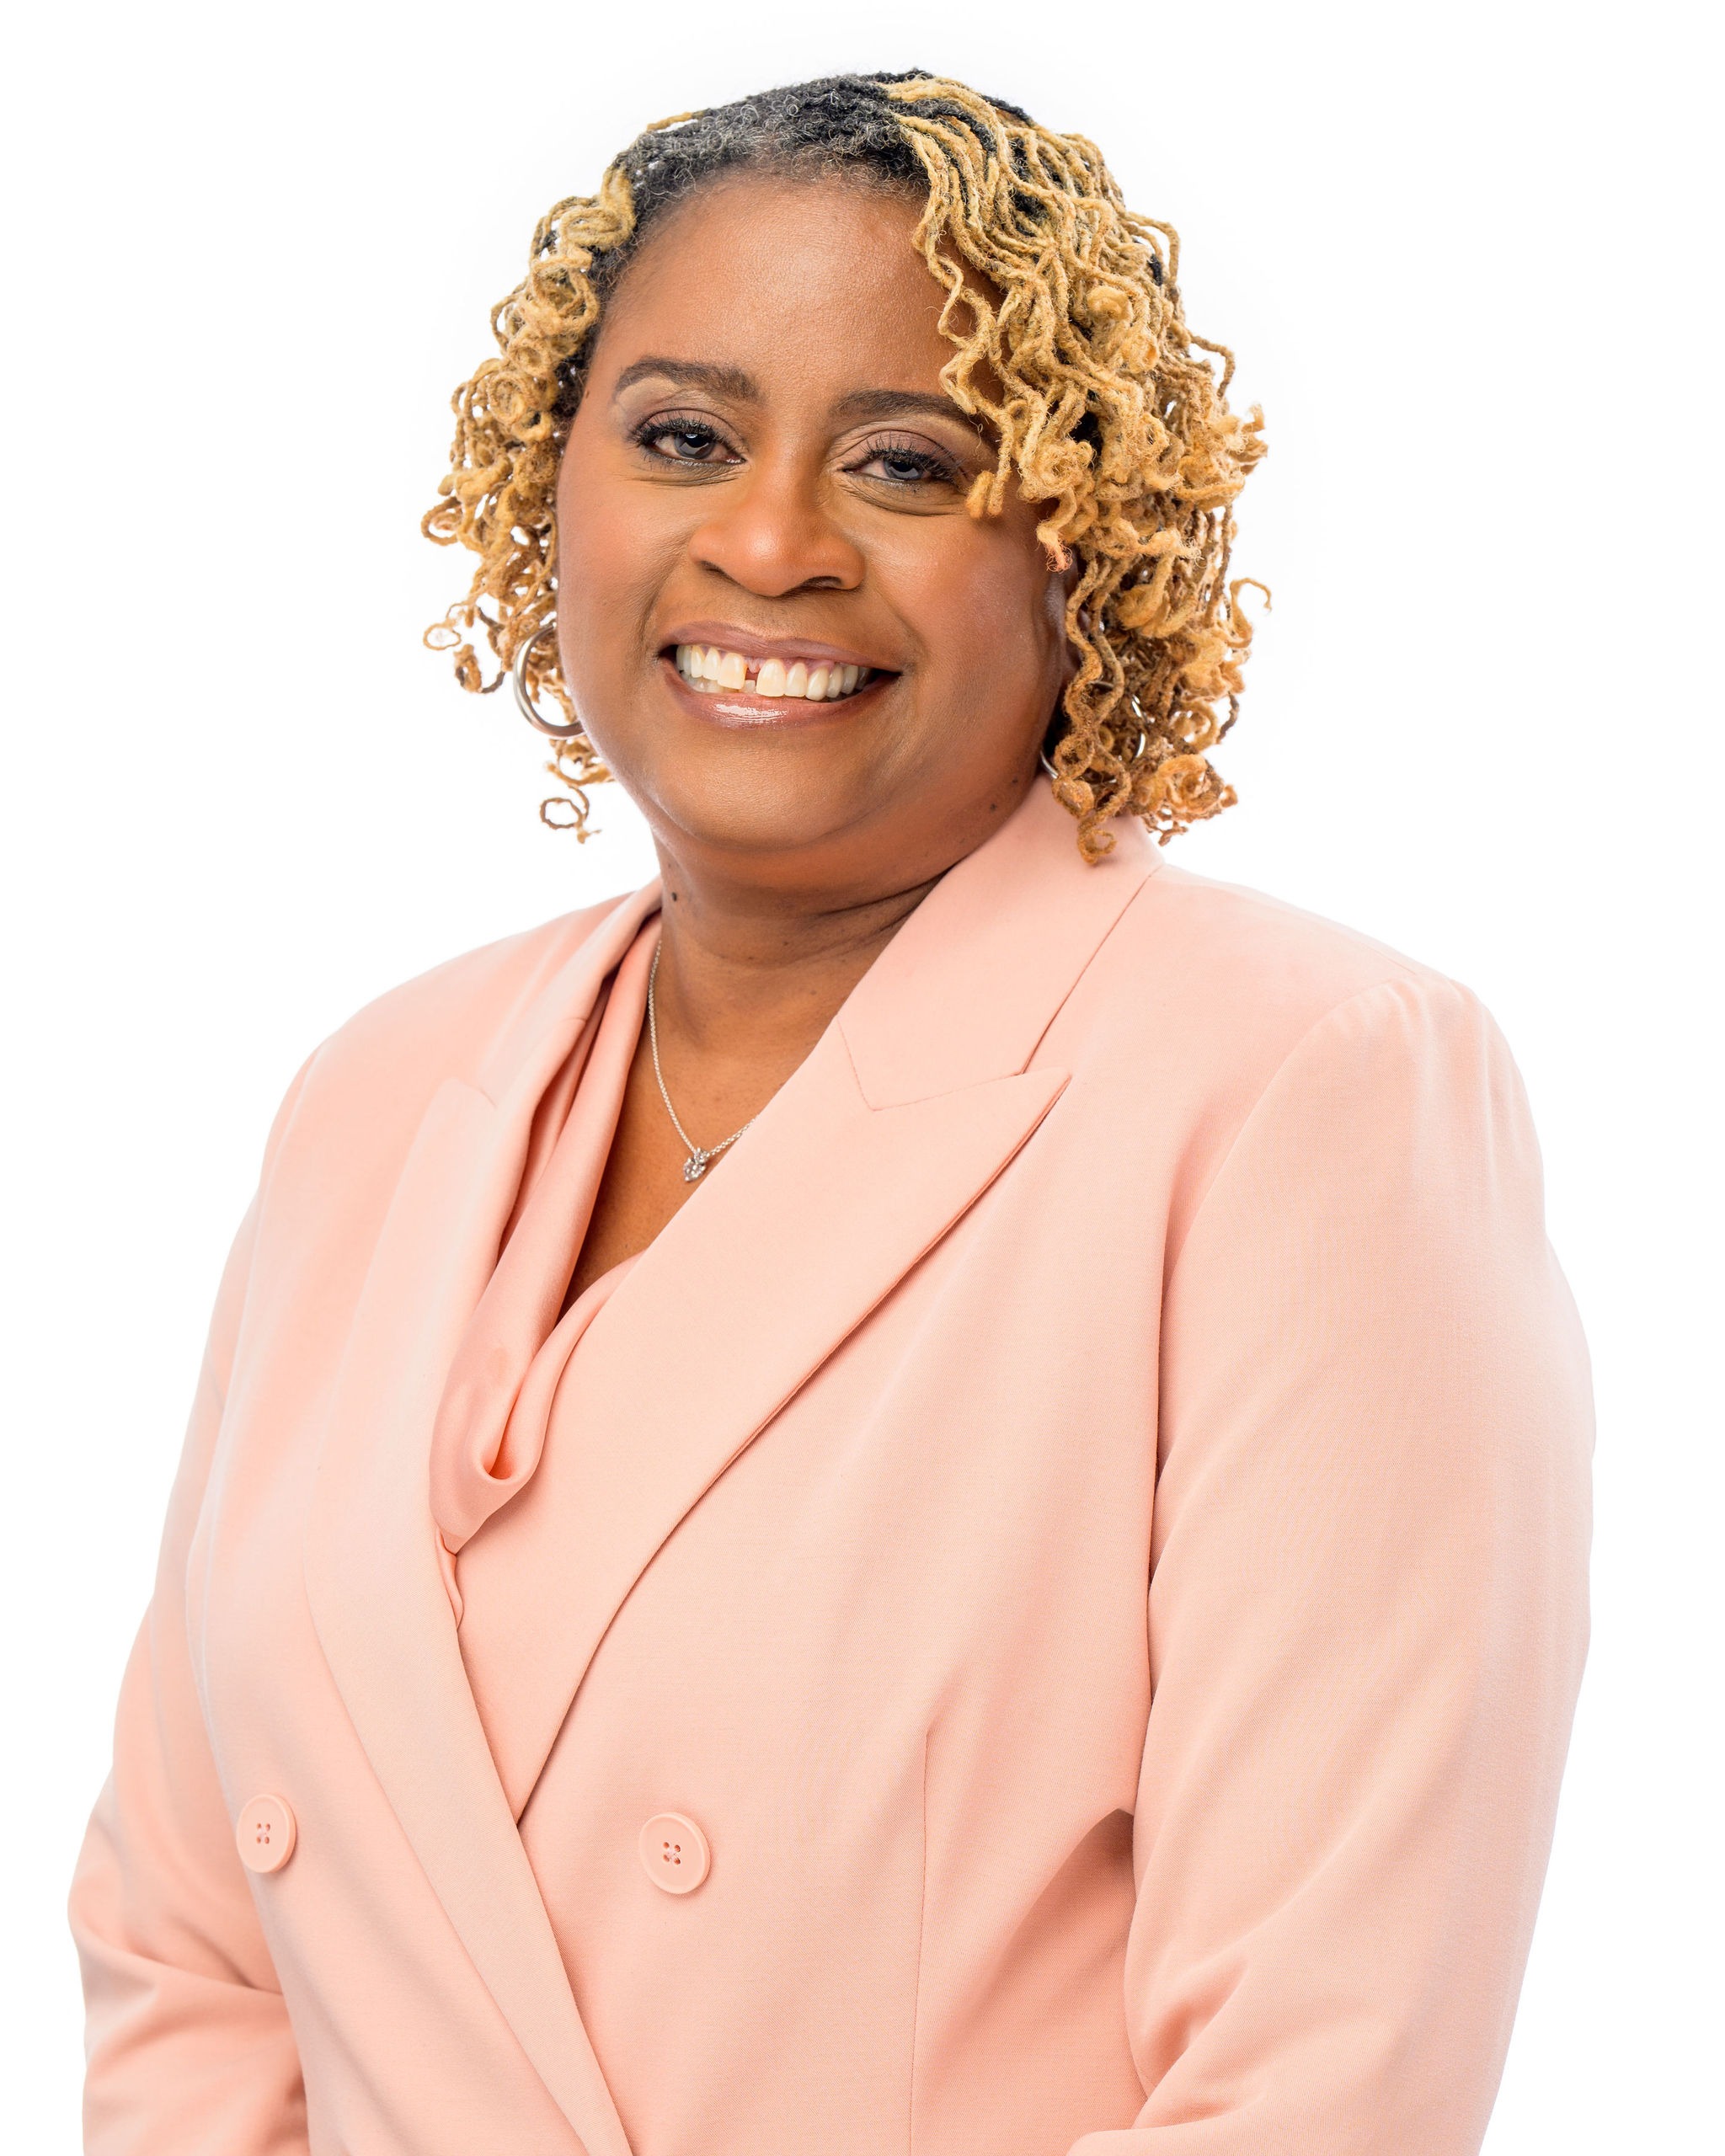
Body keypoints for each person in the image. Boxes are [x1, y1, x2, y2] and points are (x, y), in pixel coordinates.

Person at [67, 71, 1593, 2156]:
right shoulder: (378, 1095)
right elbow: (192, 1957)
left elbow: (1317, 2085)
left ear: (1090, 534)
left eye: (908, 461)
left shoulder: (1299, 1092)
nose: (769, 541)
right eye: (683, 436)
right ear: (551, 484)